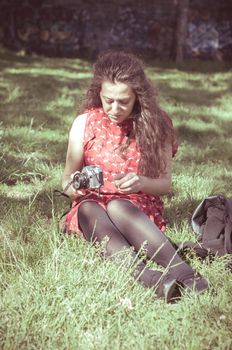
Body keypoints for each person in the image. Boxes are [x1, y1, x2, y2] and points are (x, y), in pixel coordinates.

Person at [62, 51, 208, 302]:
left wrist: (141, 182)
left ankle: (184, 272)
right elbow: (65, 180)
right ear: (98, 92)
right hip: (92, 207)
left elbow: (164, 184)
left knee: (119, 206)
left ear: (138, 98)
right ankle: (148, 278)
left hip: (135, 206)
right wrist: (74, 186)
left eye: (123, 101)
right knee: (87, 209)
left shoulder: (156, 123)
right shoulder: (84, 123)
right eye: (108, 100)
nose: (114, 109)